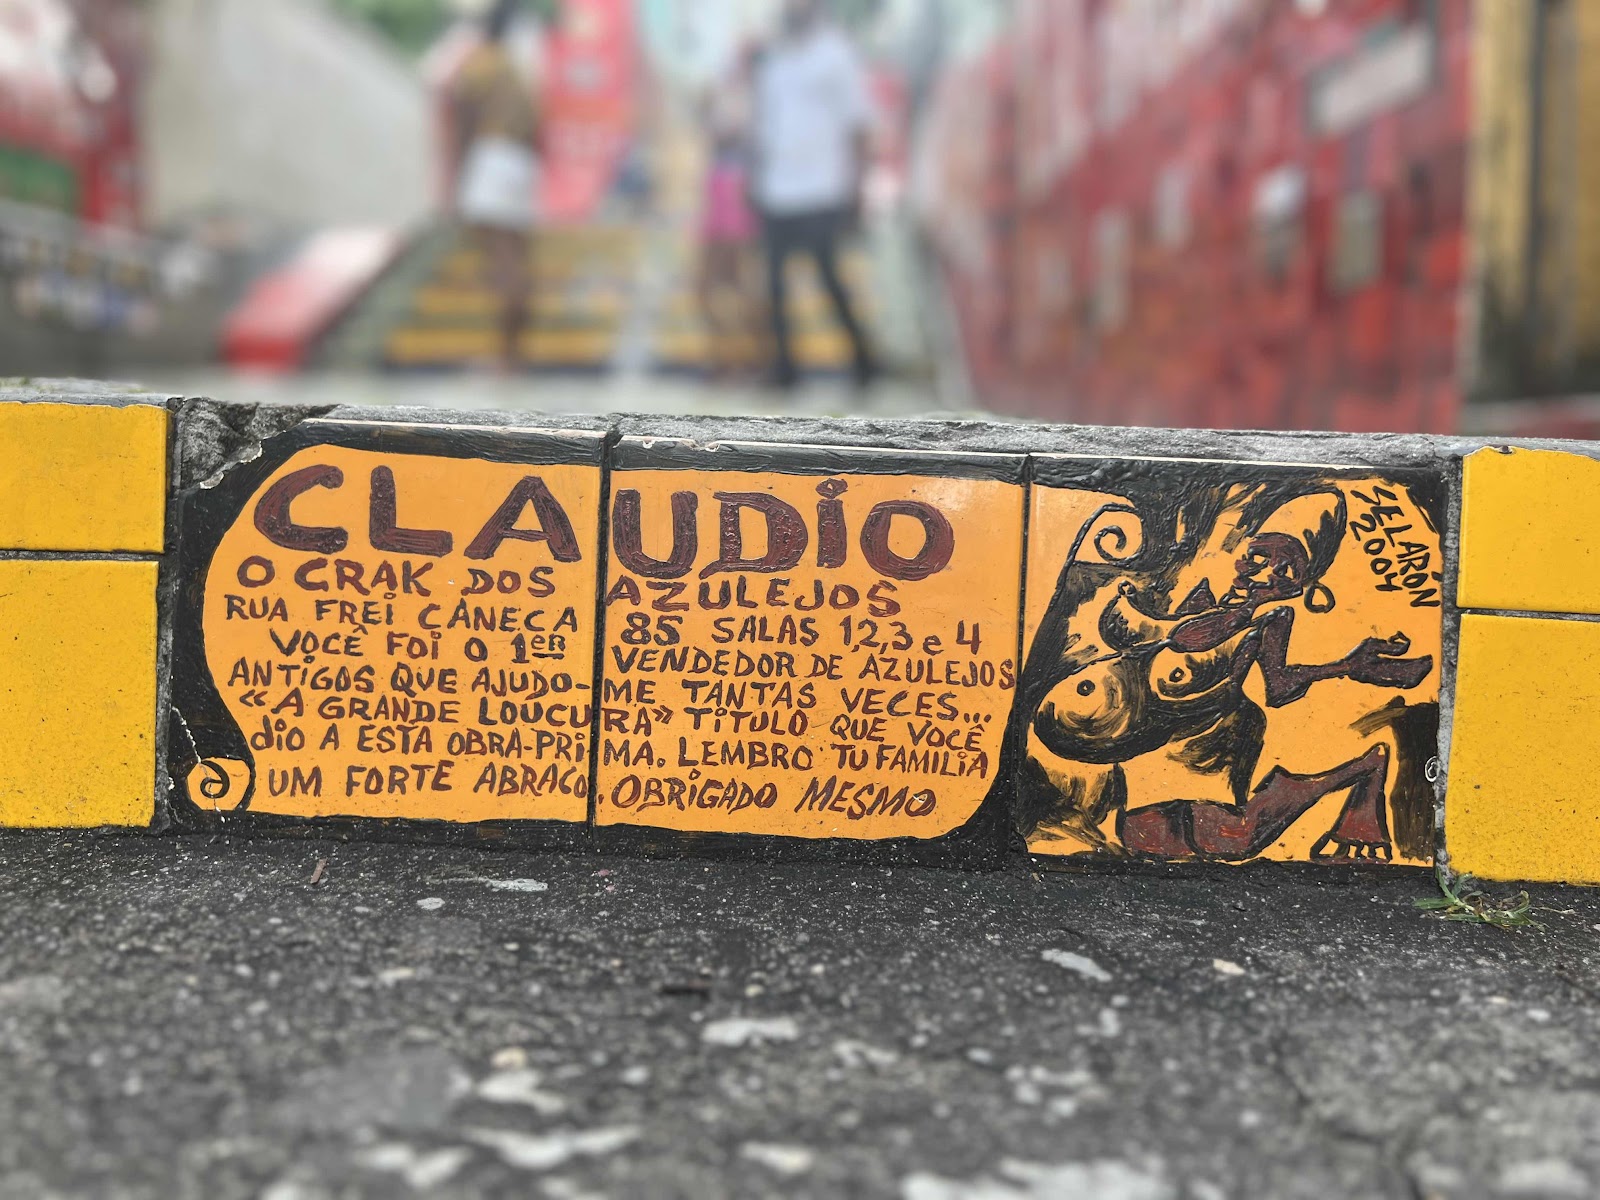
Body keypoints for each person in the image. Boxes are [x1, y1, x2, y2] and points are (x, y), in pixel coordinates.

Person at [752, 0, 878, 390]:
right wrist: (755, 179)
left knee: (828, 278)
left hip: (823, 187)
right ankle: (785, 369)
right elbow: (765, 124)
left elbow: (858, 124)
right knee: (774, 284)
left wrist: (859, 185)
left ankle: (864, 363)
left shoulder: (837, 53)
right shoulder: (774, 58)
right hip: (776, 187)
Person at [447, 0, 539, 372]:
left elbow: (463, 118)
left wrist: (457, 173)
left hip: (493, 156)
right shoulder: (518, 70)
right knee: (516, 258)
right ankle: (515, 354)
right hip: (521, 161)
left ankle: (505, 359)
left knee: (501, 262)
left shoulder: (481, 64)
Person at [696, 49, 766, 381]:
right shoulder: (733, 90)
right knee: (712, 284)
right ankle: (733, 358)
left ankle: (746, 359)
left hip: (736, 187)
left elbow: (728, 132)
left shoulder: (753, 95)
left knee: (734, 282)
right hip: (722, 185)